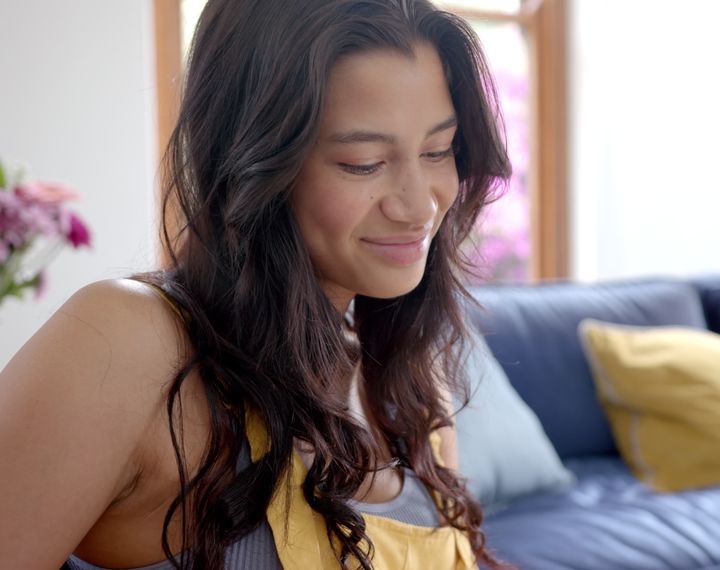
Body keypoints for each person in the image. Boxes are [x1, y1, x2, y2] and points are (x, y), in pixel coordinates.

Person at [0, 0, 511, 568]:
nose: (420, 205)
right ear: (252, 162)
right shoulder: (129, 346)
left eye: (439, 150)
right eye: (363, 162)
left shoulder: (411, 377)